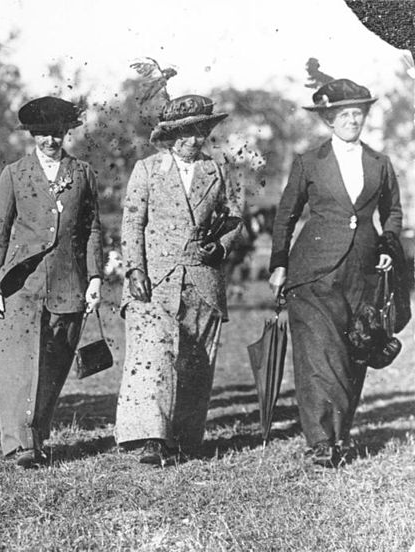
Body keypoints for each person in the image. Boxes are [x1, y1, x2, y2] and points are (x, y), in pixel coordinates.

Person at [269, 79, 402, 467]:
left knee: (354, 351)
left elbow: (391, 212)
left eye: (357, 114)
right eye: (343, 114)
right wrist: (279, 262)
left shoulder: (380, 163)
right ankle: (321, 442)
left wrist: (387, 245)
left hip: (363, 272)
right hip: (312, 273)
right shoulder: (309, 162)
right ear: (329, 119)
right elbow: (286, 215)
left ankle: (340, 434)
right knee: (318, 356)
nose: (351, 121)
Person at [116, 95, 244, 466]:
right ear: (171, 136)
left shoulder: (217, 170)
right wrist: (135, 270)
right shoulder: (148, 169)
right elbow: (132, 222)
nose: (194, 139)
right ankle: (153, 437)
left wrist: (218, 248)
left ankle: (184, 438)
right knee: (153, 355)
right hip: (154, 278)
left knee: (195, 360)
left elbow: (234, 219)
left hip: (201, 278)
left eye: (200, 131)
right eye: (185, 133)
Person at [0, 96, 104, 468]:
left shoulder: (83, 173)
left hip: (68, 282)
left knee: (54, 363)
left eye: (55, 134)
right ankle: (19, 445)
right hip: (22, 283)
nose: (49, 142)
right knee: (17, 365)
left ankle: (37, 434)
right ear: (31, 136)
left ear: (66, 133)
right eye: (41, 135)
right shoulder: (14, 174)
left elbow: (92, 229)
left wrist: (95, 276)